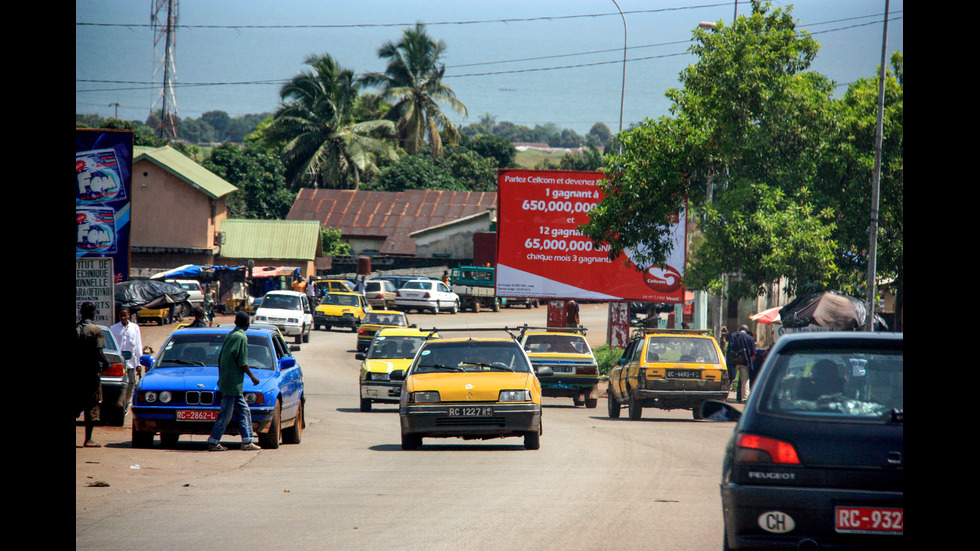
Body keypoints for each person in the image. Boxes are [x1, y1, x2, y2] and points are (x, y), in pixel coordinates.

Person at [207, 311, 261, 451]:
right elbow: (242, 362)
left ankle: (247, 441)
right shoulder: (241, 337)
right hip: (233, 383)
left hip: (228, 381)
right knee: (225, 414)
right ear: (247, 324)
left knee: (244, 411)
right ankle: (213, 441)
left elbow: (222, 359)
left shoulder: (231, 335)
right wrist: (253, 377)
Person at [77, 302, 109, 447]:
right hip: (90, 375)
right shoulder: (96, 331)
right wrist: (107, 363)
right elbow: (99, 352)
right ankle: (88, 439)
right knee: (91, 405)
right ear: (93, 313)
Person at [109, 306, 144, 412]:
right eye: (121, 315)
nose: (123, 318)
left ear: (129, 315)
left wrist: (139, 363)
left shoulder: (135, 328)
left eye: (125, 315)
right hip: (118, 364)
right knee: (119, 384)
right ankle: (118, 403)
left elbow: (138, 345)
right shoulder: (113, 329)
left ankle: (126, 402)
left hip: (131, 363)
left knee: (131, 383)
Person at [727, 325, 756, 402]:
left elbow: (730, 347)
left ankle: (725, 395)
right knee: (745, 380)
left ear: (739, 329)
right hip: (745, 362)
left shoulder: (734, 335)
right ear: (746, 330)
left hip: (734, 361)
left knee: (731, 378)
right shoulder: (750, 338)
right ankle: (745, 398)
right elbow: (753, 351)